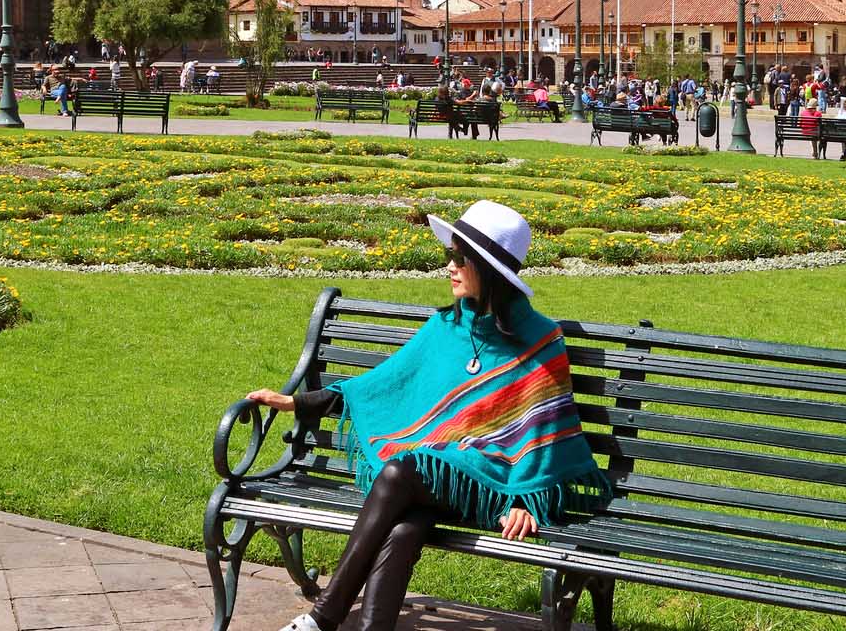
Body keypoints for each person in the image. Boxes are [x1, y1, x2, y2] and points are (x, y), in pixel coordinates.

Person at [251, 201, 609, 631]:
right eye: (450, 256)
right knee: (404, 526)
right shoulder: (446, 327)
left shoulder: (540, 340)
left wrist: (522, 500)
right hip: (436, 483)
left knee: (399, 474)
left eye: (460, 258)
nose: (450, 267)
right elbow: (383, 386)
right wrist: (300, 403)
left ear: (489, 270)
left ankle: (323, 616)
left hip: (489, 489)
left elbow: (545, 433)